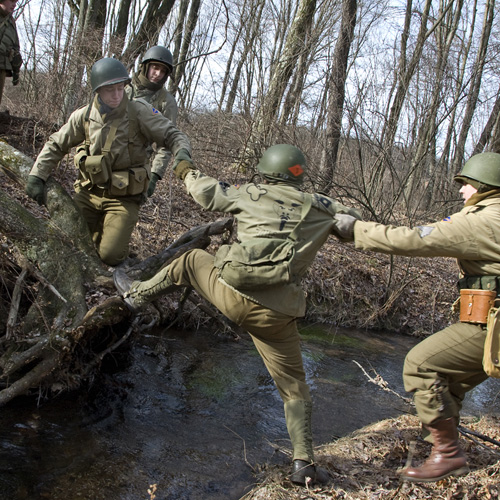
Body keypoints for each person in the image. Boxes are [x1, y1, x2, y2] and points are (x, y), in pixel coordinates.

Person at [113, 144, 361, 486]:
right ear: (299, 174)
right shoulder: (320, 206)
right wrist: (346, 222)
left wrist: (184, 167)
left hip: (233, 297)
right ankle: (303, 462)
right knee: (294, 389)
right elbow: (353, 224)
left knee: (189, 262)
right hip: (277, 315)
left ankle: (133, 297)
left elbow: (205, 192)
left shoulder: (249, 194)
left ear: (267, 170)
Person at [333, 151, 500, 483]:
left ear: (483, 186)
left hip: (491, 324)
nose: (461, 192)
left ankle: (448, 456)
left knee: (422, 365)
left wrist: (354, 230)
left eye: (465, 184)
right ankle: (439, 447)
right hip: (485, 321)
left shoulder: (482, 220)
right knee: (448, 380)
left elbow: (412, 239)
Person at [25, 57, 192, 266]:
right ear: (98, 91)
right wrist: (36, 175)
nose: (116, 95)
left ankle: (117, 246)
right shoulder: (84, 115)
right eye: (110, 90)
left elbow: (173, 135)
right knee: (67, 240)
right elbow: (57, 144)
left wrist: (182, 155)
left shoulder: (139, 111)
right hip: (88, 192)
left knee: (110, 256)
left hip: (124, 198)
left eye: (120, 88)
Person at [126, 45, 178, 197]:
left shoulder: (166, 102)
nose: (158, 74)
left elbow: (166, 143)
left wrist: (154, 176)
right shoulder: (123, 88)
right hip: (109, 157)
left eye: (163, 71)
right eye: (155, 68)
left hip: (136, 165)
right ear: (145, 66)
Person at [0, 0, 22, 106]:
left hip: (2, 67)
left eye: (16, 1)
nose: (14, 4)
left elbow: (15, 46)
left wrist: (16, 70)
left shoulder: (11, 22)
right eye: (11, 0)